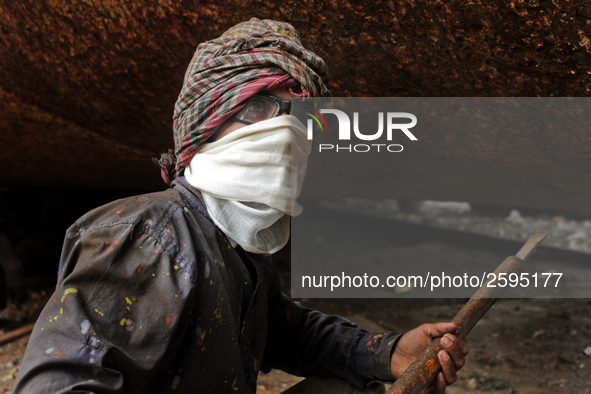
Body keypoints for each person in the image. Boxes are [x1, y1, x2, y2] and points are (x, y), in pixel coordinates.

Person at [13, 18, 467, 394]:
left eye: (298, 119)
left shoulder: (233, 238)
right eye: (256, 110)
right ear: (206, 121)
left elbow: (283, 329)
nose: (283, 134)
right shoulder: (152, 235)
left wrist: (388, 353)